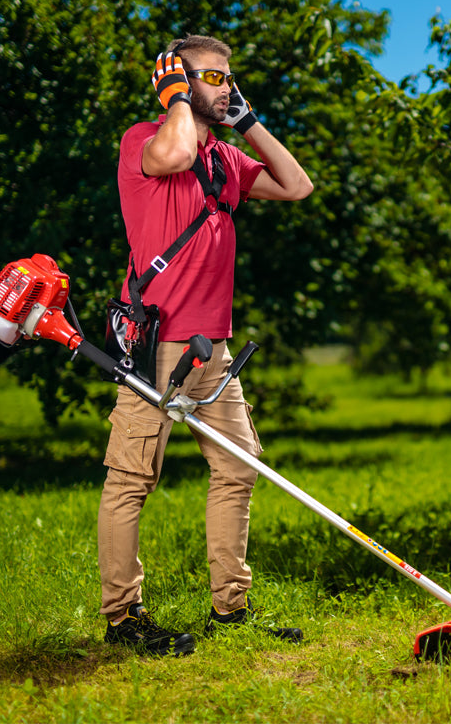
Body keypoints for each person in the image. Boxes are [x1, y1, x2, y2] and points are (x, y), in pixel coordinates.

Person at [98, 34, 313, 657]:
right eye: (214, 78)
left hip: (213, 351)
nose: (228, 87)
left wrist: (247, 121)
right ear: (177, 82)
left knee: (239, 469)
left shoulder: (224, 159)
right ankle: (123, 619)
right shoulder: (144, 140)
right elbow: (175, 152)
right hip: (157, 346)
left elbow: (296, 186)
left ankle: (231, 608)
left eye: (230, 78)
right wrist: (177, 100)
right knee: (131, 480)